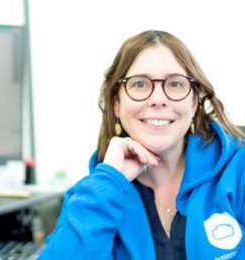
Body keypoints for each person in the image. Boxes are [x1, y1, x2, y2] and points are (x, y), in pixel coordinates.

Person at [37, 30, 245, 260]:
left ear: (194, 103)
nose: (158, 99)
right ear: (117, 104)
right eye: (139, 84)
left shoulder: (239, 171)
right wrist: (109, 182)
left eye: (175, 83)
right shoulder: (89, 196)